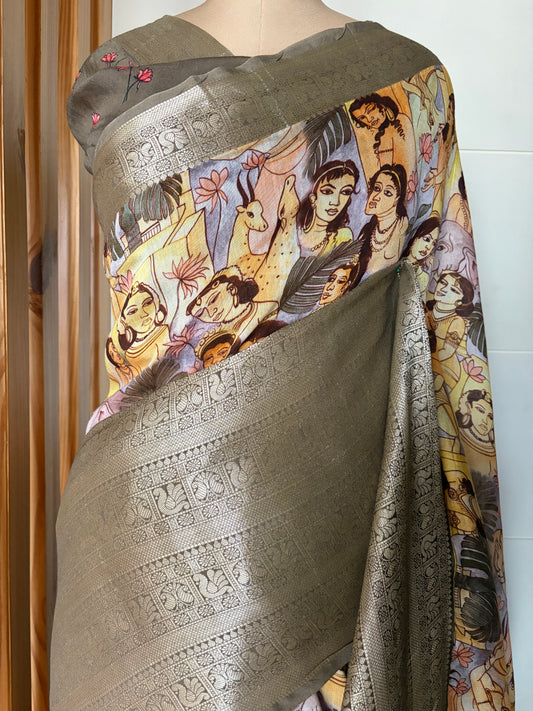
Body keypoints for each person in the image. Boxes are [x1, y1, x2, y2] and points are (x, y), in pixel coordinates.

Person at [50, 2, 513, 710]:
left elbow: (446, 320)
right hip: (151, 537)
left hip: (343, 539)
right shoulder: (118, 83)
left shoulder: (409, 80)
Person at [296, 160, 358, 257]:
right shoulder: (294, 229)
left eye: (345, 192)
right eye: (328, 191)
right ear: (313, 198)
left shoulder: (341, 237)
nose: (336, 202)